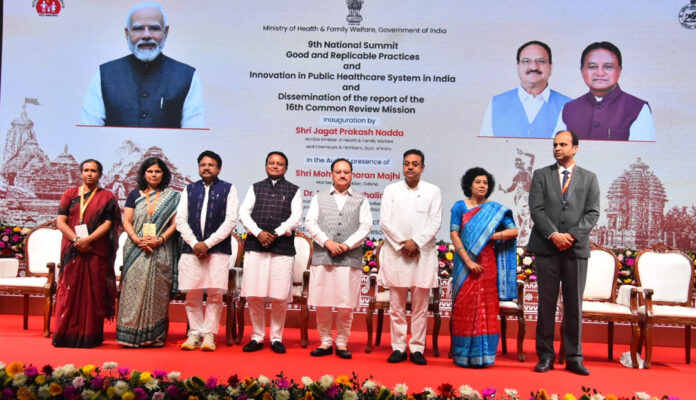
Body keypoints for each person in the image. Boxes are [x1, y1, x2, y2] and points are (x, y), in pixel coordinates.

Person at [529, 130, 600, 375]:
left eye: (563, 144)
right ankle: (545, 356)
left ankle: (573, 357)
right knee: (546, 305)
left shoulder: (589, 178)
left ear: (575, 148)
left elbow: (593, 213)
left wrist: (570, 236)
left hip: (575, 249)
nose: (557, 148)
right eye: (555, 144)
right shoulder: (541, 175)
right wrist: (553, 234)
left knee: (573, 306)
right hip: (546, 247)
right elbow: (536, 210)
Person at [81, 2, 204, 128]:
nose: (146, 35)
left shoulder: (188, 76)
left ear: (166, 32)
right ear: (127, 34)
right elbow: (89, 131)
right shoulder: (104, 75)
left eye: (154, 28)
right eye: (138, 28)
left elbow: (194, 134)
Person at [449, 168, 518, 367]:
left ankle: (484, 356)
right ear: (469, 185)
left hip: (487, 263)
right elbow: (454, 235)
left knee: (485, 307)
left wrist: (492, 236)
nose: (482, 185)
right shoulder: (459, 207)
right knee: (464, 306)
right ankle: (462, 355)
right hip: (464, 263)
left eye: (485, 183)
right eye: (477, 182)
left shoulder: (494, 210)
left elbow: (513, 231)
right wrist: (468, 261)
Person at [379, 149, 442, 365]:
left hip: (422, 253)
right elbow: (385, 221)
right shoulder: (391, 190)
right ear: (403, 166)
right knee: (396, 305)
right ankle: (398, 347)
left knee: (420, 306)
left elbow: (435, 221)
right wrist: (403, 243)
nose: (410, 167)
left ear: (422, 167)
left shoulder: (433, 191)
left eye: (415, 164)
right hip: (397, 252)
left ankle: (417, 348)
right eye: (407, 163)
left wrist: (416, 242)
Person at [305, 158, 371, 359]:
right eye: (338, 172)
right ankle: (325, 341)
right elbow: (310, 222)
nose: (342, 175)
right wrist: (327, 242)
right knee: (323, 301)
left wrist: (346, 245)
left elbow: (365, 226)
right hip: (323, 255)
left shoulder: (361, 199)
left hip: (349, 257)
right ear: (331, 174)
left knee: (346, 302)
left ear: (352, 175)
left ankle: (342, 342)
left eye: (346, 172)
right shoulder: (319, 197)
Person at [240, 151, 302, 354]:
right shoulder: (255, 187)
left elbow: (296, 218)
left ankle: (276, 338)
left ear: (286, 168)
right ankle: (257, 337)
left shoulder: (294, 190)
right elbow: (244, 214)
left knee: (279, 296)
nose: (275, 166)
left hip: (282, 248)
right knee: (254, 295)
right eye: (271, 163)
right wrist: (258, 233)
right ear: (266, 166)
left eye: (279, 164)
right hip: (256, 246)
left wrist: (275, 233)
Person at [53, 159, 120, 347]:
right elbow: (61, 222)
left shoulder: (107, 196)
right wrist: (77, 240)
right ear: (81, 173)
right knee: (68, 291)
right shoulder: (70, 194)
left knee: (93, 292)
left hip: (95, 249)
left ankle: (90, 336)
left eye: (93, 171)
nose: (89, 174)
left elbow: (108, 224)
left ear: (100, 174)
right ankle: (64, 335)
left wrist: (88, 240)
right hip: (72, 249)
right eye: (86, 170)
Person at [176, 150, 238, 351]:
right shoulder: (189, 189)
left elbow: (231, 220)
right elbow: (180, 220)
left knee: (215, 294)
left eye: (211, 165)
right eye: (203, 165)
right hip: (191, 250)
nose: (206, 168)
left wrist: (208, 244)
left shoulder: (229, 189)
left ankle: (209, 335)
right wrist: (195, 243)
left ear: (218, 168)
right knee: (192, 294)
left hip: (218, 250)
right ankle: (194, 333)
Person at [116, 157, 180, 347]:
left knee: (158, 294)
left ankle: (154, 336)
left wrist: (160, 240)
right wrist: (136, 238)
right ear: (144, 174)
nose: (154, 175)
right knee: (132, 291)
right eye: (150, 171)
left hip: (161, 250)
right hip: (135, 249)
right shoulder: (134, 195)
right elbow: (126, 221)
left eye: (157, 171)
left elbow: (175, 224)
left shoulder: (172, 197)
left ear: (164, 174)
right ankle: (128, 335)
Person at [557, 41, 654, 141]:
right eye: (592, 67)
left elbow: (641, 150)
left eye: (608, 67)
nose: (600, 73)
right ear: (582, 71)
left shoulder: (638, 109)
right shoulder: (568, 109)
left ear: (619, 71)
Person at [480, 41, 571, 138]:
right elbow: (484, 145)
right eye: (526, 61)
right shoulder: (497, 104)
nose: (534, 67)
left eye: (541, 61)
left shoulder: (570, 107)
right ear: (518, 67)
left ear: (550, 67)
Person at [498, 148, 535, 244]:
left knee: (528, 213)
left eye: (519, 162)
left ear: (522, 163)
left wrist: (523, 153)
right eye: (516, 164)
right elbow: (512, 187)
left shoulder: (529, 170)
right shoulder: (517, 176)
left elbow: (533, 157)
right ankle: (520, 232)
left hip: (529, 195)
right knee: (521, 213)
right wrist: (504, 190)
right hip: (520, 196)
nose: (518, 164)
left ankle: (527, 231)